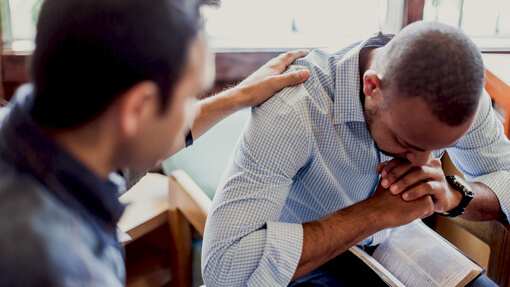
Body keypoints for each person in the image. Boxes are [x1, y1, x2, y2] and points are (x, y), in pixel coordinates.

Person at [0, 0, 311, 285]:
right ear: (138, 109)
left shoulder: (46, 132)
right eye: (189, 97)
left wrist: (239, 96)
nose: (192, 108)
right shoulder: (62, 269)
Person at [202, 21, 510, 286]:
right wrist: (375, 214)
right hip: (300, 260)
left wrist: (453, 195)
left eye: (437, 147)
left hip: (397, 244)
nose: (424, 162)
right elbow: (225, 269)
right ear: (372, 86)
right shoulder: (294, 108)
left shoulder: (459, 94)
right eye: (408, 143)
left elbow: (505, 176)